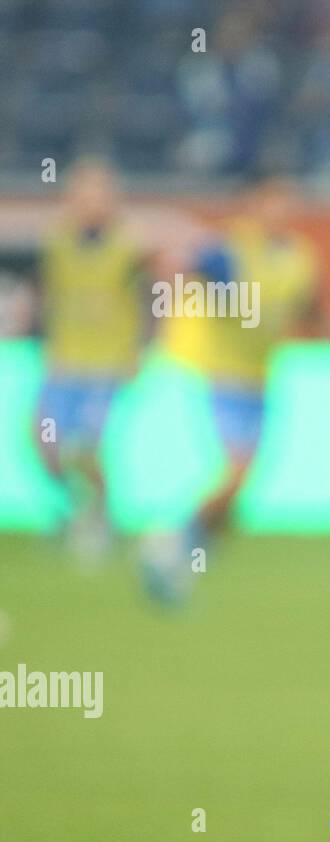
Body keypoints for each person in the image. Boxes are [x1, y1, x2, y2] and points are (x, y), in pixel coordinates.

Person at [142, 172, 324, 602]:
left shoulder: (299, 255)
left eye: (287, 201)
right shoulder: (229, 249)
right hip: (217, 372)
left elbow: (307, 306)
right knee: (237, 472)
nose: (282, 211)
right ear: (253, 204)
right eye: (273, 201)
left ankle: (184, 560)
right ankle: (168, 541)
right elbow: (172, 266)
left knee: (238, 496)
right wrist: (164, 317)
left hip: (259, 377)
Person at [33, 157, 150, 563]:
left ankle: (101, 516)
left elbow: (149, 301)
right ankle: (75, 510)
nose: (91, 202)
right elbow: (50, 295)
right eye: (83, 193)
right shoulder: (58, 241)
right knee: (42, 441)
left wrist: (141, 351)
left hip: (107, 364)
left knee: (85, 448)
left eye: (99, 193)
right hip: (64, 360)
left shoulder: (129, 246)